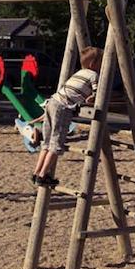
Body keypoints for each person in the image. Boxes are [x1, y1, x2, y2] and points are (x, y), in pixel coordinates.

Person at [31, 47, 103, 188]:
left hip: (52, 101)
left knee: (46, 142)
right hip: (63, 107)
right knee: (57, 143)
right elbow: (97, 93)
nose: (102, 65)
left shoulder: (79, 73)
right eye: (100, 62)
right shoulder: (94, 75)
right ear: (93, 63)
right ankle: (42, 175)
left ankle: (36, 172)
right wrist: (91, 99)